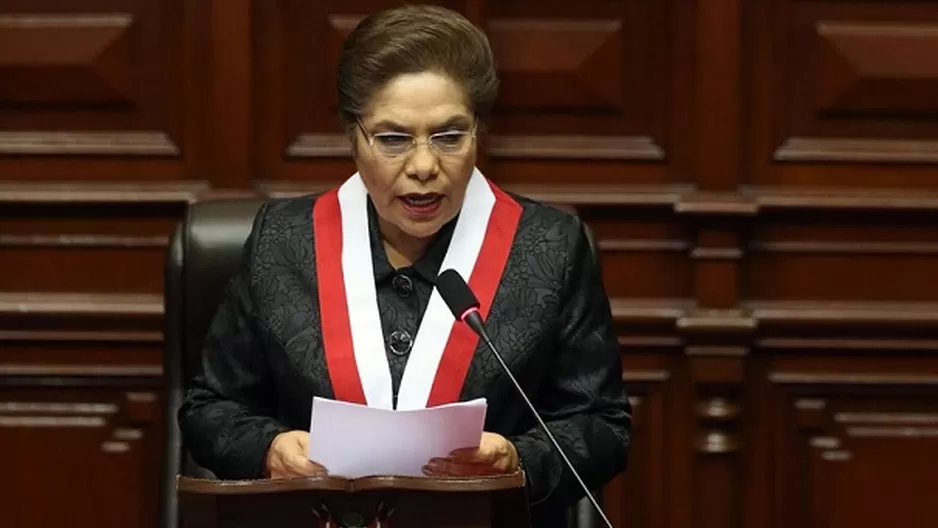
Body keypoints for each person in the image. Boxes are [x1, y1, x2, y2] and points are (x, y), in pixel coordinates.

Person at [178, 4, 631, 526]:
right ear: (353, 136)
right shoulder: (282, 241)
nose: (423, 166)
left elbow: (602, 423)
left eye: (449, 136)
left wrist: (518, 460)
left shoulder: (549, 247)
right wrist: (268, 448)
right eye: (393, 139)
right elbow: (209, 408)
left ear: (479, 131)